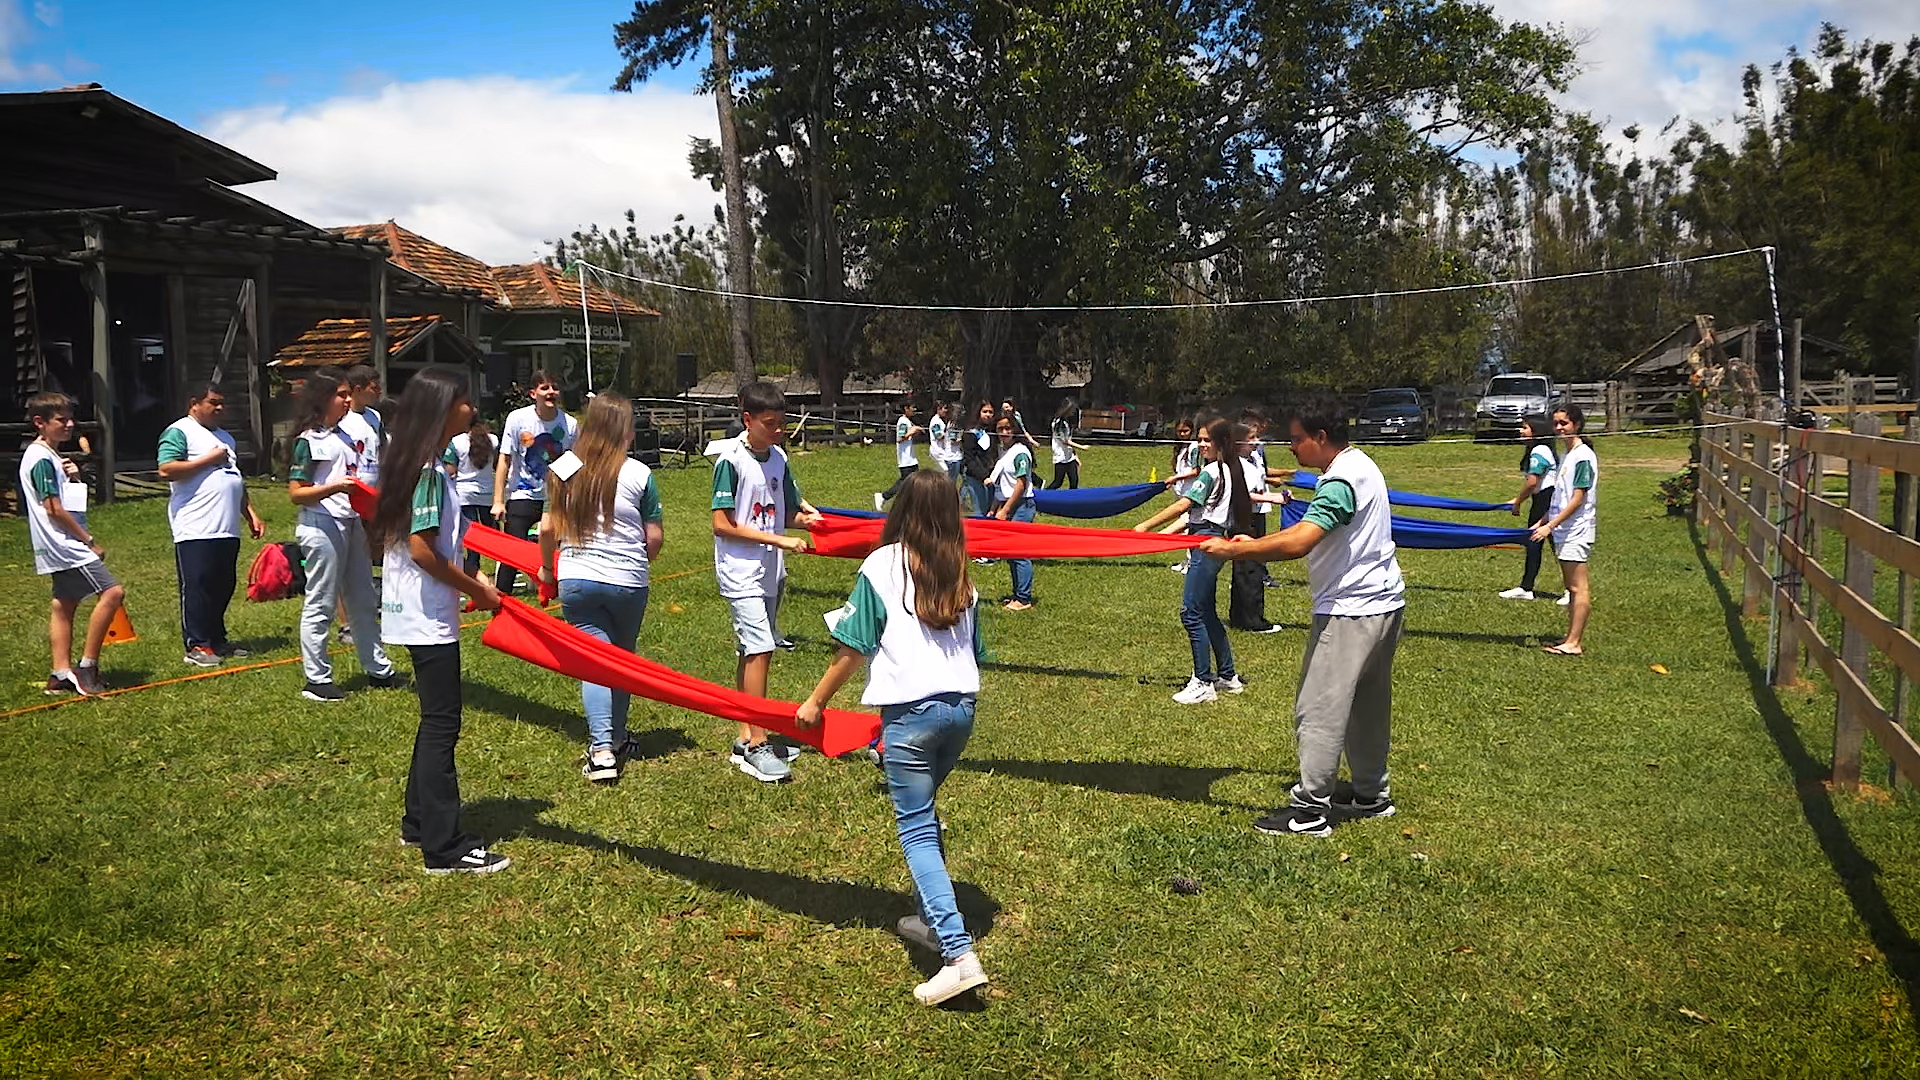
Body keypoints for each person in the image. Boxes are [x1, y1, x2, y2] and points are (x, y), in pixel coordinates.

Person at [796, 470, 991, 1005]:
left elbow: (853, 645)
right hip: (961, 712)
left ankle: (958, 955)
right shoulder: (962, 574)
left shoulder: (882, 564)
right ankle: (934, 920)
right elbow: (977, 652)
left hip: (910, 716)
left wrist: (815, 703)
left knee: (916, 831)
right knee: (925, 814)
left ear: (901, 509)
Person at [1200, 405, 1405, 838]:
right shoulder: (1362, 464)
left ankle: (1310, 811)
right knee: (1367, 705)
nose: (1291, 448)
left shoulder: (1339, 480)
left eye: (1296, 439)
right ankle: (1371, 794)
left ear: (1321, 436)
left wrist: (1236, 551)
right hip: (1384, 602)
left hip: (1351, 610)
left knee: (1319, 709)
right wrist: (1254, 541)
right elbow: (1309, 532)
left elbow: (1301, 541)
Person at [368, 366, 508, 874]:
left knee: (433, 720)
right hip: (427, 614)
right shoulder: (427, 471)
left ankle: (418, 822)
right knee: (442, 725)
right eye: (465, 401)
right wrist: (479, 590)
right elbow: (425, 552)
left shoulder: (420, 464)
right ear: (444, 408)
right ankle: (444, 848)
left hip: (415, 610)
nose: (472, 409)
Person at [537, 393, 665, 783]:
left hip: (577, 578)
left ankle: (602, 749)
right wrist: (642, 557)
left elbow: (546, 528)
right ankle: (620, 736)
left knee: (594, 664)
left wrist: (546, 570)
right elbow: (654, 538)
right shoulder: (640, 473)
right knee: (621, 661)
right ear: (624, 430)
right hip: (628, 581)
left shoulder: (564, 465)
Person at [713, 380, 824, 782]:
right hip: (741, 571)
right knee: (760, 647)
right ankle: (757, 743)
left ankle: (747, 733)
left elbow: (785, 512)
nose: (778, 432)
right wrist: (778, 538)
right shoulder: (730, 461)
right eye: (770, 424)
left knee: (754, 651)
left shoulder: (778, 458)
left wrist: (807, 521)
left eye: (781, 425)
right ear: (748, 419)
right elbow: (721, 524)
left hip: (771, 570)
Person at [287, 367, 400, 702]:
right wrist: (335, 487)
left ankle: (378, 668)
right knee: (321, 600)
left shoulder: (350, 435)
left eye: (349, 394)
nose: (348, 400)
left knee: (363, 597)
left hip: (351, 522)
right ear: (323, 399)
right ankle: (316, 679)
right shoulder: (308, 441)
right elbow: (296, 493)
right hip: (320, 524)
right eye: (341, 395)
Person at [1134, 417, 1251, 703]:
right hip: (1212, 537)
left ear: (1221, 442)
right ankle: (1228, 676)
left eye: (1206, 440)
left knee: (1191, 612)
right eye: (1199, 439)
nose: (1201, 444)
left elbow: (1184, 505)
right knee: (1206, 611)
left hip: (1205, 543)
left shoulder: (1211, 472)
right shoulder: (1229, 470)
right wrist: (1160, 536)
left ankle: (1203, 682)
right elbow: (1192, 515)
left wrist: (1144, 526)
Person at [20, 391, 125, 697]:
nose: (69, 425)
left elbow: (67, 502)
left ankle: (60, 673)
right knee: (113, 592)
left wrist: (75, 479)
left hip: (59, 542)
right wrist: (88, 540)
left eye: (70, 418)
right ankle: (87, 666)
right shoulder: (40, 459)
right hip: (64, 544)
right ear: (40, 423)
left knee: (64, 606)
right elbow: (53, 509)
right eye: (61, 420)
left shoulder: (52, 457)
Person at [157, 384, 265, 667]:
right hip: (195, 526)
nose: (219, 408)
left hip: (226, 527)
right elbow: (166, 469)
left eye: (222, 403)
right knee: (198, 585)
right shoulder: (180, 431)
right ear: (194, 403)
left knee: (223, 584)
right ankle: (197, 644)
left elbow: (235, 479)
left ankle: (217, 638)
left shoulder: (226, 438)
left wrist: (250, 512)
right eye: (213, 402)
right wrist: (208, 460)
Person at [492, 372, 578, 595]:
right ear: (533, 394)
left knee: (565, 551)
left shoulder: (569, 424)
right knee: (512, 552)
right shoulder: (517, 419)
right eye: (545, 388)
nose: (551, 392)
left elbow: (575, 462)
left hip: (556, 497)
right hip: (523, 494)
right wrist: (498, 500)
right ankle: (501, 602)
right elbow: (504, 459)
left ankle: (560, 594)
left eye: (555, 388)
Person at [1534, 405, 1598, 654]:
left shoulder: (1583, 456)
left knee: (1577, 588)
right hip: (1564, 529)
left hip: (1576, 530)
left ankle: (1574, 643)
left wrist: (1550, 526)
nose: (1560, 427)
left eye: (1565, 423)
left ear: (1577, 425)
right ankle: (1570, 636)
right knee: (1571, 587)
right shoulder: (1568, 454)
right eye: (1557, 423)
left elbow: (1578, 498)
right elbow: (1561, 496)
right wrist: (1543, 520)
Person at [1227, 422, 1283, 634]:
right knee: (1249, 567)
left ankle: (1241, 616)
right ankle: (1252, 619)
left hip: (1258, 515)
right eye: (1251, 438)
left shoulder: (1256, 459)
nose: (1255, 442)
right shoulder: (1237, 464)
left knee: (1253, 565)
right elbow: (1244, 495)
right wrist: (1274, 498)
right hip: (1244, 518)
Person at [1500, 415, 1558, 602]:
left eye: (1525, 427)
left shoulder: (1540, 450)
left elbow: (1532, 481)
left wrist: (1517, 501)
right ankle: (1527, 587)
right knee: (1535, 544)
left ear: (1537, 431)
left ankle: (1571, 590)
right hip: (1541, 500)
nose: (1521, 430)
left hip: (1546, 501)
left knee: (1553, 545)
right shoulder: (1540, 449)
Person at [988, 415, 1037, 610]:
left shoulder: (1020, 452)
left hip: (1022, 506)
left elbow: (1021, 483)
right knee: (1010, 552)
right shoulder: (1005, 452)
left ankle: (1024, 598)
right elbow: (1004, 486)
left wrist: (1006, 509)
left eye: (1008, 428)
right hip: (1008, 505)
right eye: (1000, 428)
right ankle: (1018, 594)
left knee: (1019, 552)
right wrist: (994, 508)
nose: (1004, 432)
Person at [443, 416, 496, 577]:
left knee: (470, 534)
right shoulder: (493, 440)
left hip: (464, 494)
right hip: (487, 493)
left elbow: (450, 470)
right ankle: (501, 564)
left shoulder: (457, 441)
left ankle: (474, 566)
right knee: (492, 533)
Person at [340, 365, 385, 486]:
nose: (379, 392)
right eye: (374, 388)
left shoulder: (375, 416)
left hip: (373, 487)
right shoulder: (342, 416)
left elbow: (382, 450)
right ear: (358, 389)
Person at [878, 400, 924, 508]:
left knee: (913, 484)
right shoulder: (903, 421)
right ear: (906, 408)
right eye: (912, 407)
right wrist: (913, 431)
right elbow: (900, 438)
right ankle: (884, 496)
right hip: (905, 460)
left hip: (911, 459)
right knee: (904, 483)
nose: (914, 410)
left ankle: (911, 506)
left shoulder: (908, 421)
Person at [959, 400, 997, 518]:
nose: (988, 414)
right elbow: (970, 459)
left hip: (991, 477)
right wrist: (983, 476)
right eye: (984, 411)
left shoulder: (992, 432)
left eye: (990, 412)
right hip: (976, 477)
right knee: (980, 512)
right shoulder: (971, 433)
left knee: (990, 511)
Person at [1047, 397, 1089, 489]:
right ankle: (1044, 495)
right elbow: (1065, 441)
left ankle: (1073, 500)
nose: (1073, 411)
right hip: (1061, 457)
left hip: (1069, 457)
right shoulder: (1058, 423)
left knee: (1074, 481)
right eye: (1072, 409)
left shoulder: (1066, 422)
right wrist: (1082, 447)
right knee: (1058, 482)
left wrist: (1075, 456)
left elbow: (1069, 439)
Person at [928, 402, 963, 487]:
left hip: (943, 451)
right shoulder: (935, 421)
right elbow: (938, 436)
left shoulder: (941, 421)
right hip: (937, 451)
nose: (946, 411)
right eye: (944, 408)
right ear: (938, 409)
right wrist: (960, 437)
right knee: (945, 474)